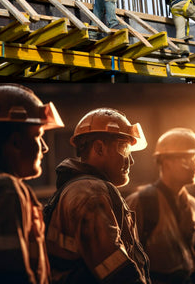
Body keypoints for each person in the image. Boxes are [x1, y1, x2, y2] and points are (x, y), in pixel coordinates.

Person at [44, 108, 150, 284]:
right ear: (99, 148)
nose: (130, 161)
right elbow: (116, 271)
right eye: (124, 149)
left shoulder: (83, 188)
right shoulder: (91, 192)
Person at [126, 128, 195, 284]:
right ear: (166, 162)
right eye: (188, 160)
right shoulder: (140, 202)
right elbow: (127, 260)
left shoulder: (192, 205)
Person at [0, 84, 64, 284]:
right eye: (38, 136)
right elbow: (12, 274)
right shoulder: (7, 189)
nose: (44, 148)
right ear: (16, 143)